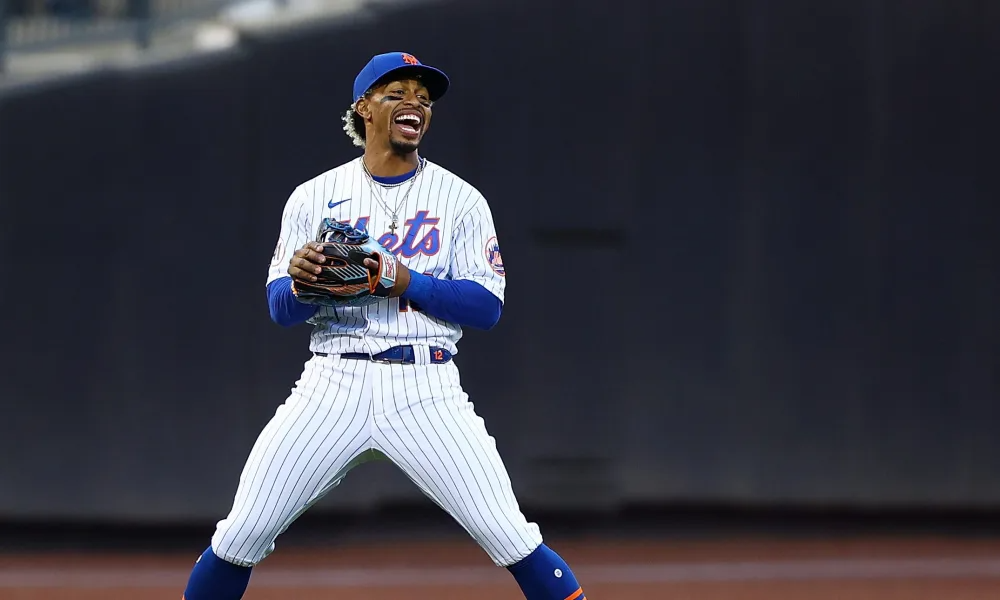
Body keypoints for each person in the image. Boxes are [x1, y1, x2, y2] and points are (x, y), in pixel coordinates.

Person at [181, 51, 589, 600]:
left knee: (511, 535)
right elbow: (281, 308)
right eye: (396, 92)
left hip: (425, 386)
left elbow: (487, 307)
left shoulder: (461, 199)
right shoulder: (313, 195)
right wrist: (302, 286)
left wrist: (406, 281)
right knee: (242, 533)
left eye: (423, 98)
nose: (414, 103)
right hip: (332, 382)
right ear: (363, 109)